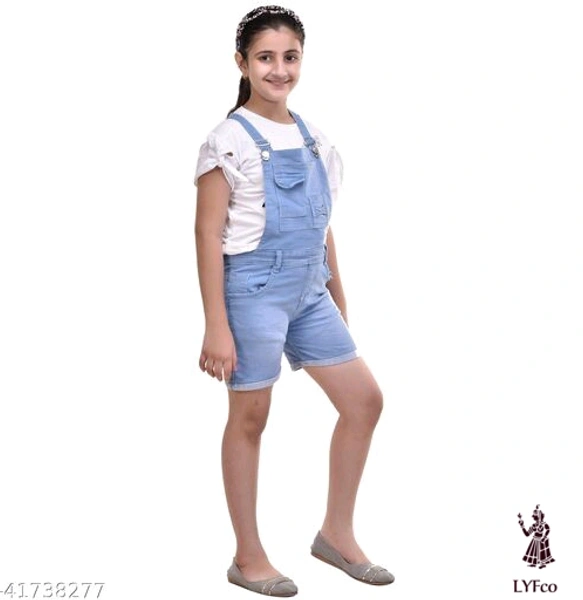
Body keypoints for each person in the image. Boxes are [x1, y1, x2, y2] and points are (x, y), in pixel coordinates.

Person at [194, 5, 394, 596]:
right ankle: (248, 556)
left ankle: (336, 533)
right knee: (250, 417)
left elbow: (322, 225)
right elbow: (206, 233)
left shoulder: (314, 139)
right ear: (242, 63)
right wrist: (215, 325)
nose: (278, 69)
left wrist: (337, 296)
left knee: (364, 401)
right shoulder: (227, 140)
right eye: (265, 57)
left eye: (290, 57)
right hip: (252, 291)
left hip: (310, 290)